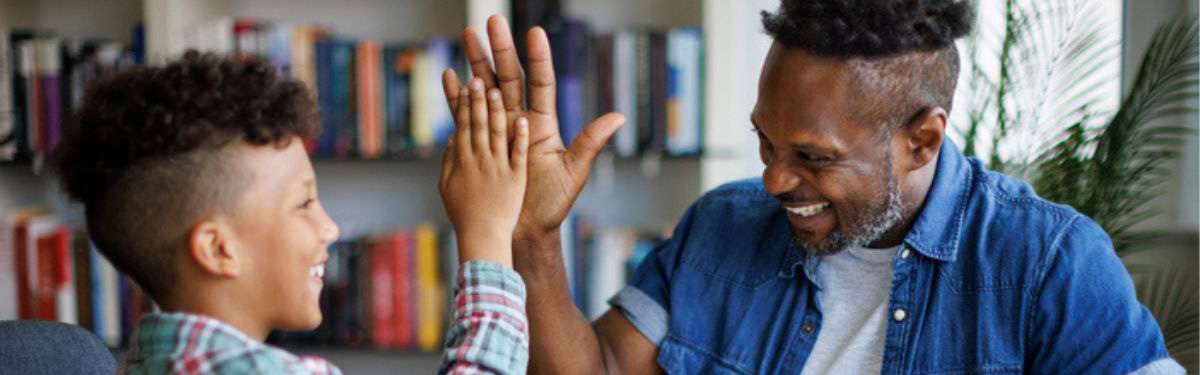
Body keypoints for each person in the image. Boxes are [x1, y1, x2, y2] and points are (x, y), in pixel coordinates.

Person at [442, 1, 1184, 373]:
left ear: (922, 138)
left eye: (812, 156)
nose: (773, 177)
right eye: (765, 140)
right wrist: (531, 235)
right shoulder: (721, 229)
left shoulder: (1049, 264)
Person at [52, 51, 530, 375]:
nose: (330, 227)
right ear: (219, 249)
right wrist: (485, 232)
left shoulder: (142, 363)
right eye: (304, 203)